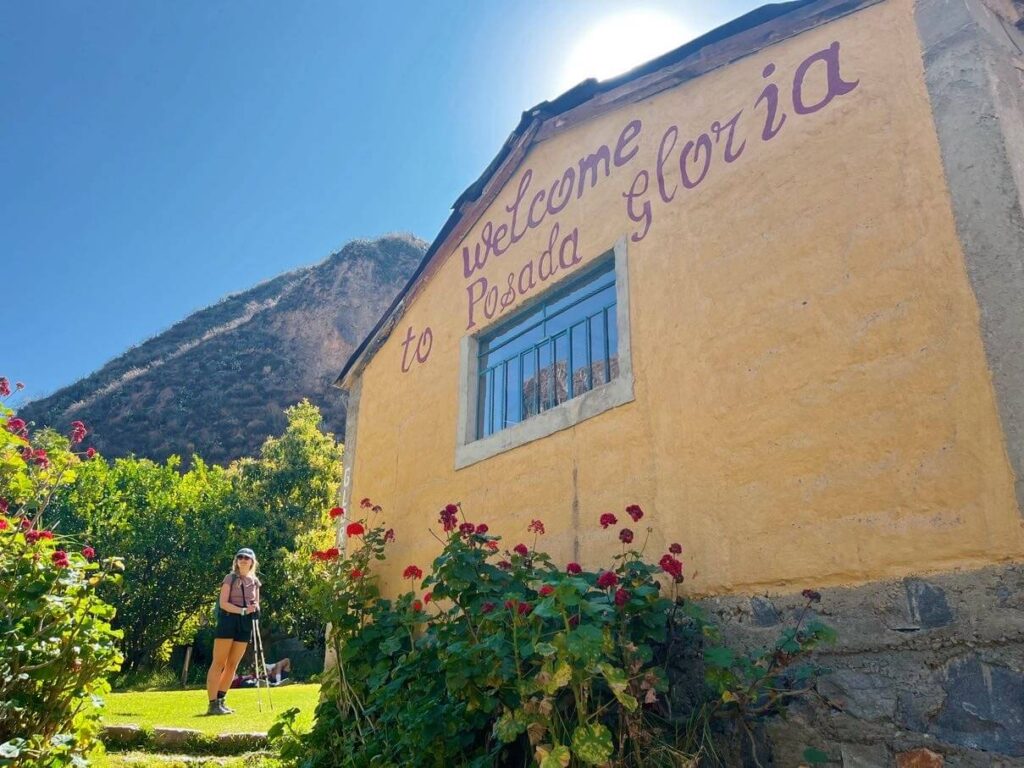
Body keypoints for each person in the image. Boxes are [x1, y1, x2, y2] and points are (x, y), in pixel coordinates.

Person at [205, 547, 261, 715]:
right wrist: (242, 610)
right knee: (219, 662)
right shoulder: (230, 578)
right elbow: (223, 603)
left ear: (252, 561)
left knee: (232, 664)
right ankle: (212, 704)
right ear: (236, 561)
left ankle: (221, 700)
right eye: (240, 557)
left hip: (245, 623)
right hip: (229, 620)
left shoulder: (255, 581)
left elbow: (256, 602)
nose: (243, 560)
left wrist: (254, 608)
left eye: (247, 557)